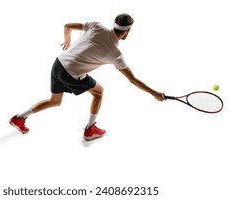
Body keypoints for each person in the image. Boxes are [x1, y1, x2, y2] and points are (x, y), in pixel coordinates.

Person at [9, 13, 165, 141]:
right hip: (71, 74)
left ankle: (19, 118)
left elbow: (67, 26)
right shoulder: (116, 54)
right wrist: (155, 93)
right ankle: (90, 130)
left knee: (54, 101)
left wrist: (67, 42)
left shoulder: (96, 26)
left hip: (58, 64)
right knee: (99, 92)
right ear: (128, 31)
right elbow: (133, 80)